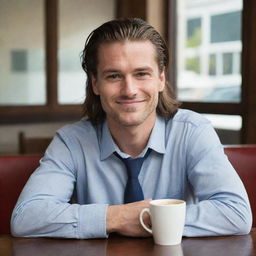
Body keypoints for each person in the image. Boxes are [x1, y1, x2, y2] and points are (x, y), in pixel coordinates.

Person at [11, 18, 252, 239]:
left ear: (160, 79)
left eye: (141, 74)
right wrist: (119, 216)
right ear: (95, 83)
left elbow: (236, 214)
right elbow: (26, 218)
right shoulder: (71, 141)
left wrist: (146, 218)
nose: (129, 90)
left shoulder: (192, 131)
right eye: (114, 76)